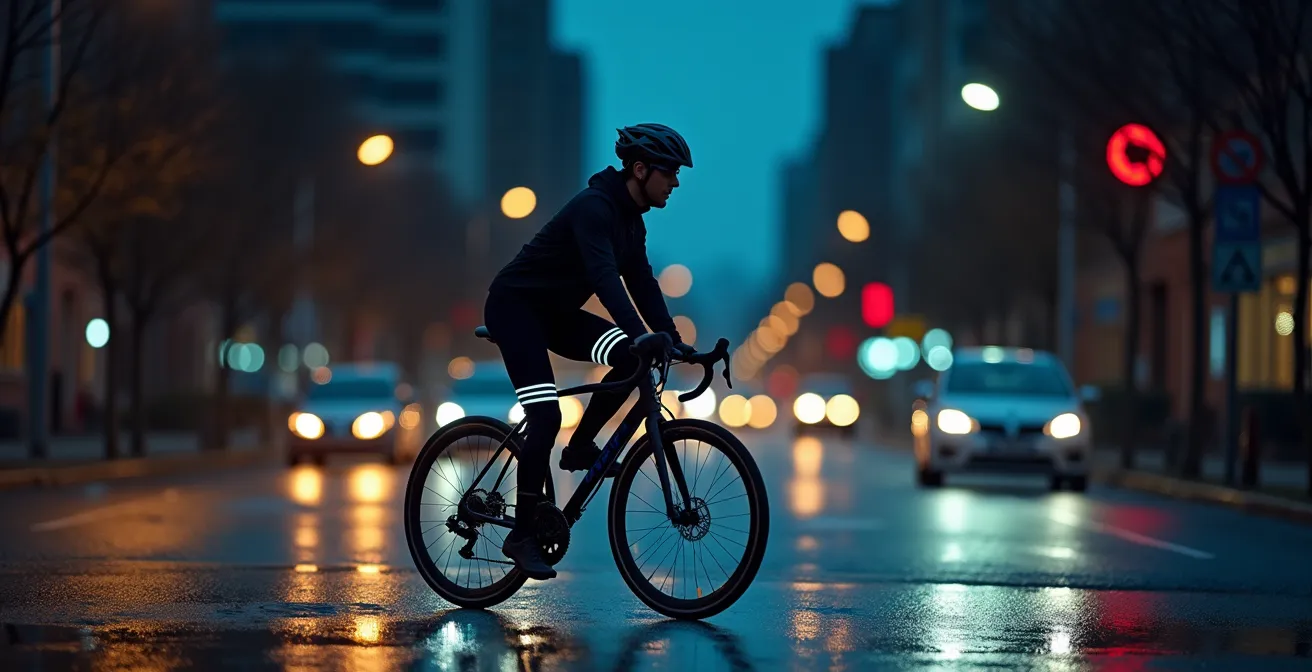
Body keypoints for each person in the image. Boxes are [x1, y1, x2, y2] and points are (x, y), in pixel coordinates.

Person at [482, 123, 695, 580]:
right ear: (640, 170)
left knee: (630, 358)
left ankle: (580, 448)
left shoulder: (631, 223)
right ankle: (521, 534)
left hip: (555, 314)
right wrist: (640, 331)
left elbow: (640, 281)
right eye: (669, 172)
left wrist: (672, 340)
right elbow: (605, 279)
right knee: (546, 415)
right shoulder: (594, 209)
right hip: (516, 308)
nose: (675, 182)